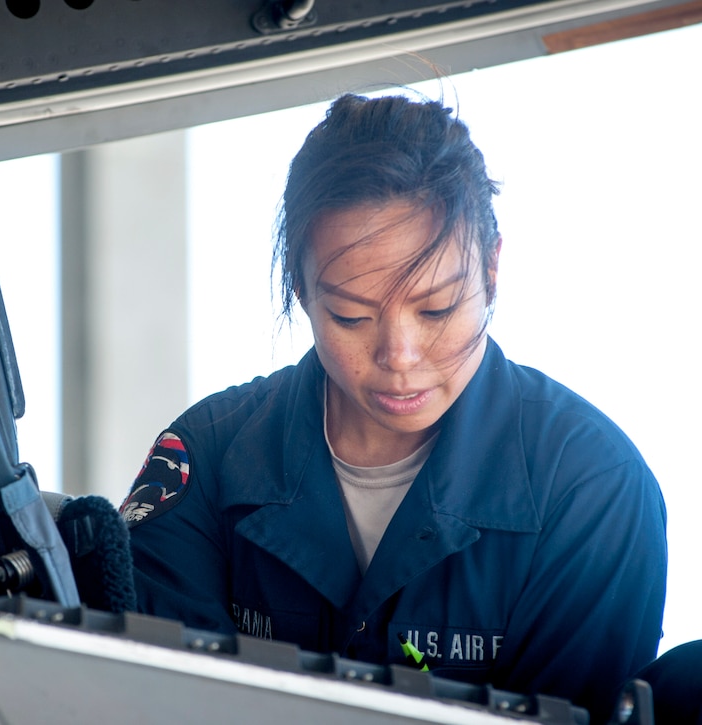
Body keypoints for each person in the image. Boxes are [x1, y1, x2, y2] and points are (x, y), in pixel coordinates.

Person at [119, 93, 667, 724]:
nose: (400, 355)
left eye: (436, 309)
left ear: (492, 270)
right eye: (351, 316)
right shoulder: (203, 460)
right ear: (301, 291)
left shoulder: (592, 489)